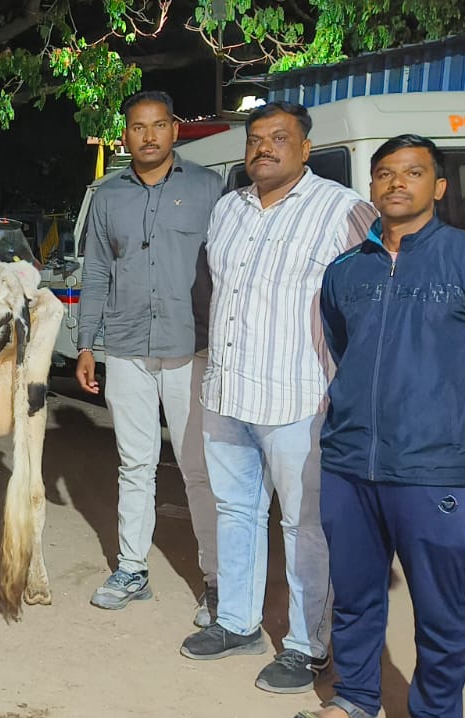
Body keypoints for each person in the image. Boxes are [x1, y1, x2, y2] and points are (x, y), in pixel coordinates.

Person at [296, 135, 465, 718]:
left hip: (433, 467)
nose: (396, 183)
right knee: (355, 596)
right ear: (373, 186)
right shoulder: (345, 272)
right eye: (385, 173)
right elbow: (342, 346)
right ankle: (355, 698)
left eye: (412, 172)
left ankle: (435, 709)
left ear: (438, 186)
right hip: (350, 461)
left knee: (439, 605)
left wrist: (461, 417)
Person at [178, 101, 378, 695]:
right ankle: (237, 622)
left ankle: (306, 644)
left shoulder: (343, 210)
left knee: (304, 524)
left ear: (305, 148)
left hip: (300, 395)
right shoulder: (227, 210)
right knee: (235, 510)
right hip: (228, 389)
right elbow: (211, 291)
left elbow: (370, 298)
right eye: (256, 138)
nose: (264, 148)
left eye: (279, 138)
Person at [75, 90, 222, 625]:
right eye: (138, 127)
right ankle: (132, 569)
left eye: (159, 125)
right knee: (134, 464)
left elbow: (227, 268)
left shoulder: (209, 188)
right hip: (128, 348)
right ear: (125, 136)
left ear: (174, 131)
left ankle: (217, 581)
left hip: (192, 349)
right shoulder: (108, 197)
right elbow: (95, 271)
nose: (149, 136)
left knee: (198, 469)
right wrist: (87, 341)